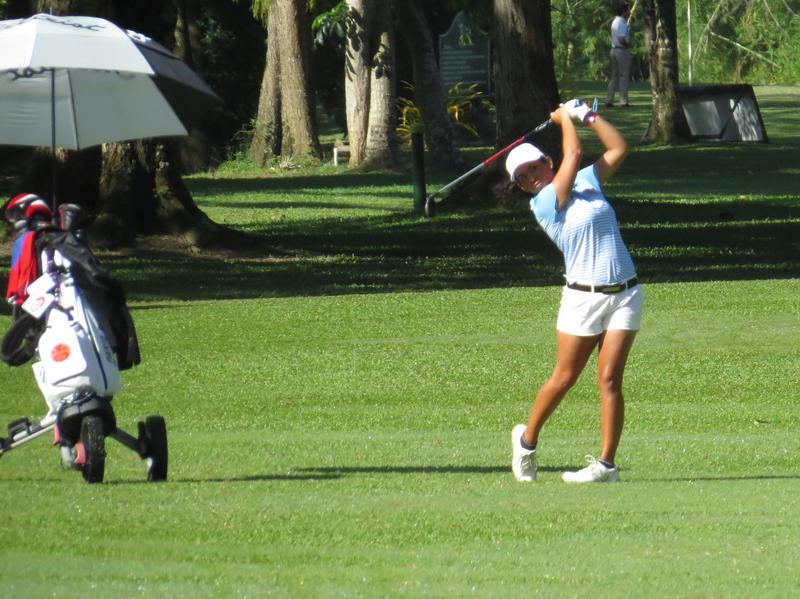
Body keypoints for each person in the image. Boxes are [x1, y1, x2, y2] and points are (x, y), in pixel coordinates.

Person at [505, 99, 643, 483]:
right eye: (522, 177)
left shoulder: (586, 181)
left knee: (610, 380)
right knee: (564, 377)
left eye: (533, 168)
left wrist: (587, 115)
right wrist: (565, 118)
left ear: (547, 161)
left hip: (626, 294)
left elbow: (618, 148)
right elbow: (576, 151)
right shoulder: (544, 203)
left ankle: (606, 466)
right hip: (583, 298)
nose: (530, 177)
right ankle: (527, 442)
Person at [606, 3, 632, 108]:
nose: (630, 11)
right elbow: (621, 39)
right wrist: (629, 45)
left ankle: (609, 100)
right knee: (623, 76)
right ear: (624, 11)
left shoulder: (615, 21)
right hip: (621, 51)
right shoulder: (621, 23)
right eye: (628, 10)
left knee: (614, 76)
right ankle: (623, 101)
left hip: (613, 50)